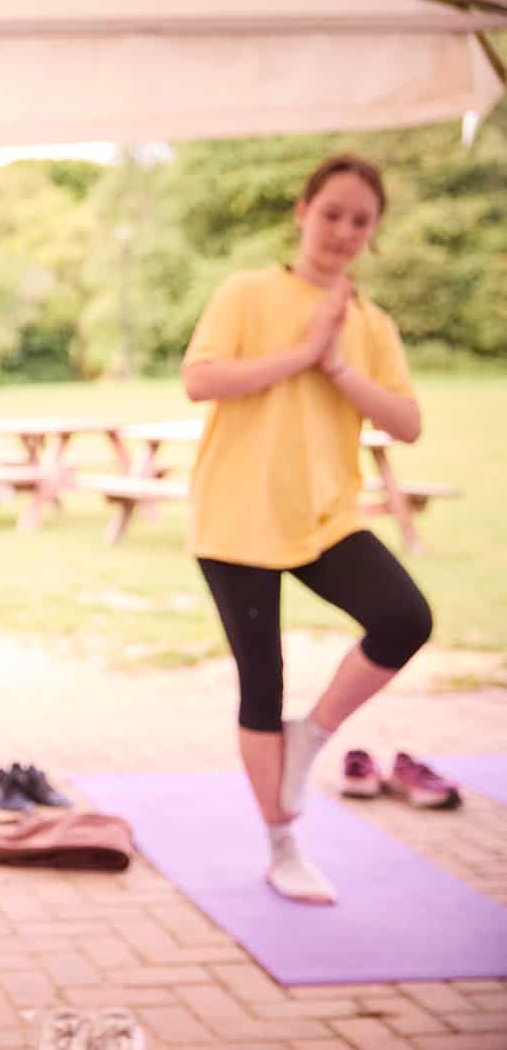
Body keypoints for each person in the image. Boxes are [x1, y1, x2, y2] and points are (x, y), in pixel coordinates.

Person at [182, 153, 431, 905]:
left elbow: (408, 423)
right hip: (236, 515)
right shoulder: (247, 292)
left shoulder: (371, 325)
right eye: (332, 213)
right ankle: (281, 844)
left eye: (361, 221)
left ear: (375, 233)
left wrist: (338, 367)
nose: (344, 231)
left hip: (325, 516)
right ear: (302, 211)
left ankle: (313, 737)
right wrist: (300, 352)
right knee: (262, 682)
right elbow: (201, 379)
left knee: (404, 617)